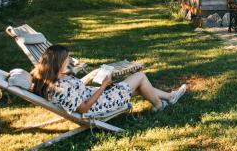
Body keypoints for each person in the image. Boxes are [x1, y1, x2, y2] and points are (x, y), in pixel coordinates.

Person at [31, 44, 186, 115]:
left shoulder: (54, 78)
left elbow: (77, 89)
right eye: (67, 58)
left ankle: (169, 97)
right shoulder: (59, 88)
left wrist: (91, 75)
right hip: (101, 104)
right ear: (58, 62)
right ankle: (160, 105)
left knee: (138, 84)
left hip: (95, 96)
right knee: (140, 77)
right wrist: (103, 86)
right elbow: (83, 108)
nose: (69, 60)